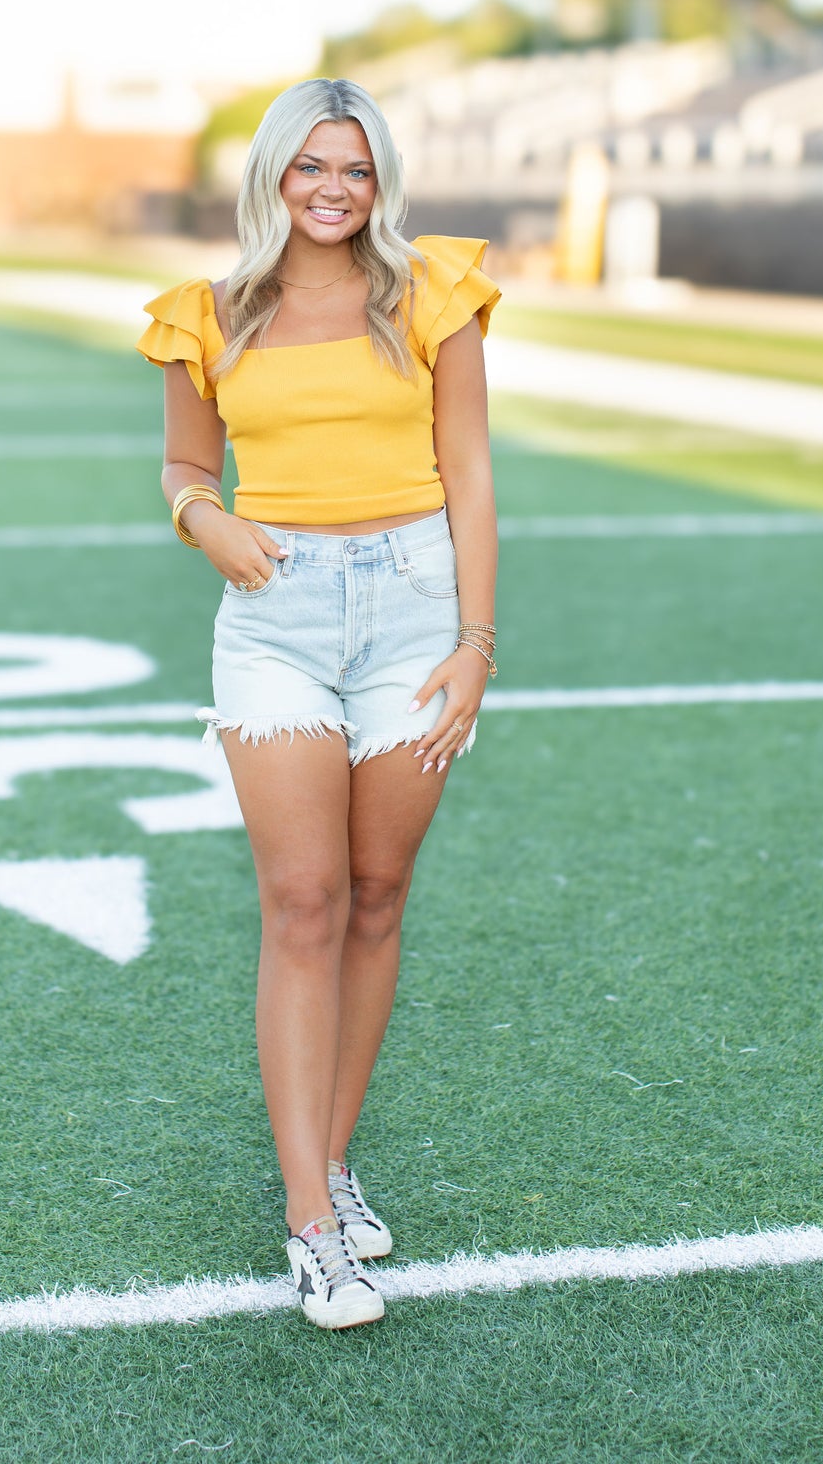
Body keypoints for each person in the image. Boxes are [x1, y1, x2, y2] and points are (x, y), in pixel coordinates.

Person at [135, 76, 499, 1330]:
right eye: (309, 167)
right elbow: (184, 464)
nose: (332, 189)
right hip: (276, 614)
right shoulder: (211, 313)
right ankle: (309, 1227)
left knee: (377, 894)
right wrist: (208, 519)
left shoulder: (432, 297)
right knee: (301, 900)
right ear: (272, 177)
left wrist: (476, 641)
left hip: (411, 606)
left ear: (378, 178)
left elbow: (470, 472)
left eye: (353, 168)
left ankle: (334, 1162)